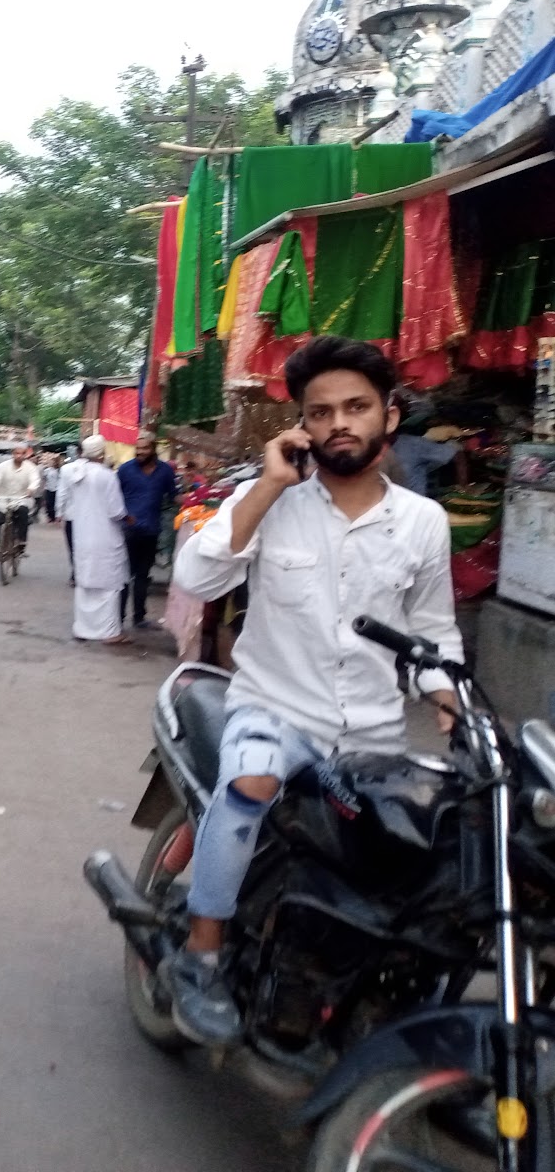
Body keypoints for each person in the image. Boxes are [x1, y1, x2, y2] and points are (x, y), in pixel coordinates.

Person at [159, 336, 463, 1047]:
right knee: (250, 782)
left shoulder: (424, 524)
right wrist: (266, 486)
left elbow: (433, 632)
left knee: (413, 860)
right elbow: (197, 580)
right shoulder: (269, 501)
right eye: (320, 412)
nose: (339, 424)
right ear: (303, 426)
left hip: (371, 738)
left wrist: (446, 695)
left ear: (390, 416)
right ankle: (201, 956)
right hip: (274, 711)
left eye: (356, 407)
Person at [69, 436, 130, 643]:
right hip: (105, 536)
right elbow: (116, 511)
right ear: (102, 453)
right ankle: (110, 632)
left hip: (82, 536)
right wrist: (129, 517)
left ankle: (83, 628)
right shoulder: (106, 476)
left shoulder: (76, 474)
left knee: (86, 583)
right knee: (109, 584)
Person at [116, 432, 178, 630]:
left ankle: (139, 617)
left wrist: (198, 499)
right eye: (138, 448)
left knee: (143, 576)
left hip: (151, 530)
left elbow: (174, 495)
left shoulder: (165, 471)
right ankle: (117, 617)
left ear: (154, 449)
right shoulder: (125, 470)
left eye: (145, 448)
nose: (141, 452)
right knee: (124, 576)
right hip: (128, 531)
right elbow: (113, 497)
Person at [0, 445, 40, 558]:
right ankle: (1, 546)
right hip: (3, 499)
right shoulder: (3, 467)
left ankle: (21, 543)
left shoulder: (30, 468)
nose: (19, 456)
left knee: (23, 512)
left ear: (25, 455)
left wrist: (31, 489)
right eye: (16, 453)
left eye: (21, 453)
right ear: (13, 454)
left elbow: (34, 480)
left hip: (22, 498)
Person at [57, 447, 89, 586]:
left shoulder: (66, 469)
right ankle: (84, 574)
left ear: (78, 452)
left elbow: (62, 492)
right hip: (92, 517)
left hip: (72, 515)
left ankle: (76, 574)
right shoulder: (102, 470)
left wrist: (59, 512)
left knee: (73, 547)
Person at [41, 454, 61, 523]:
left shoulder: (59, 470)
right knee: (48, 503)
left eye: (53, 461)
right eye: (51, 461)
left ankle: (55, 516)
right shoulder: (47, 470)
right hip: (48, 488)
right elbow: (44, 479)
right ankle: (50, 516)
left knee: (55, 503)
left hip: (57, 489)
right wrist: (43, 487)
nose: (52, 463)